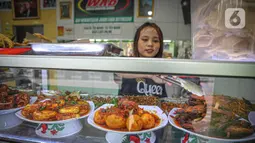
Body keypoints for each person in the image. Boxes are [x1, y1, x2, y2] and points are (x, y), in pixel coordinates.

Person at [115, 22, 168, 98]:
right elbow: (119, 73)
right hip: (127, 108)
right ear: (136, 43)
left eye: (155, 41)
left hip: (156, 109)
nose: (150, 44)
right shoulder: (127, 63)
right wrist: (149, 75)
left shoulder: (162, 66)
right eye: (145, 39)